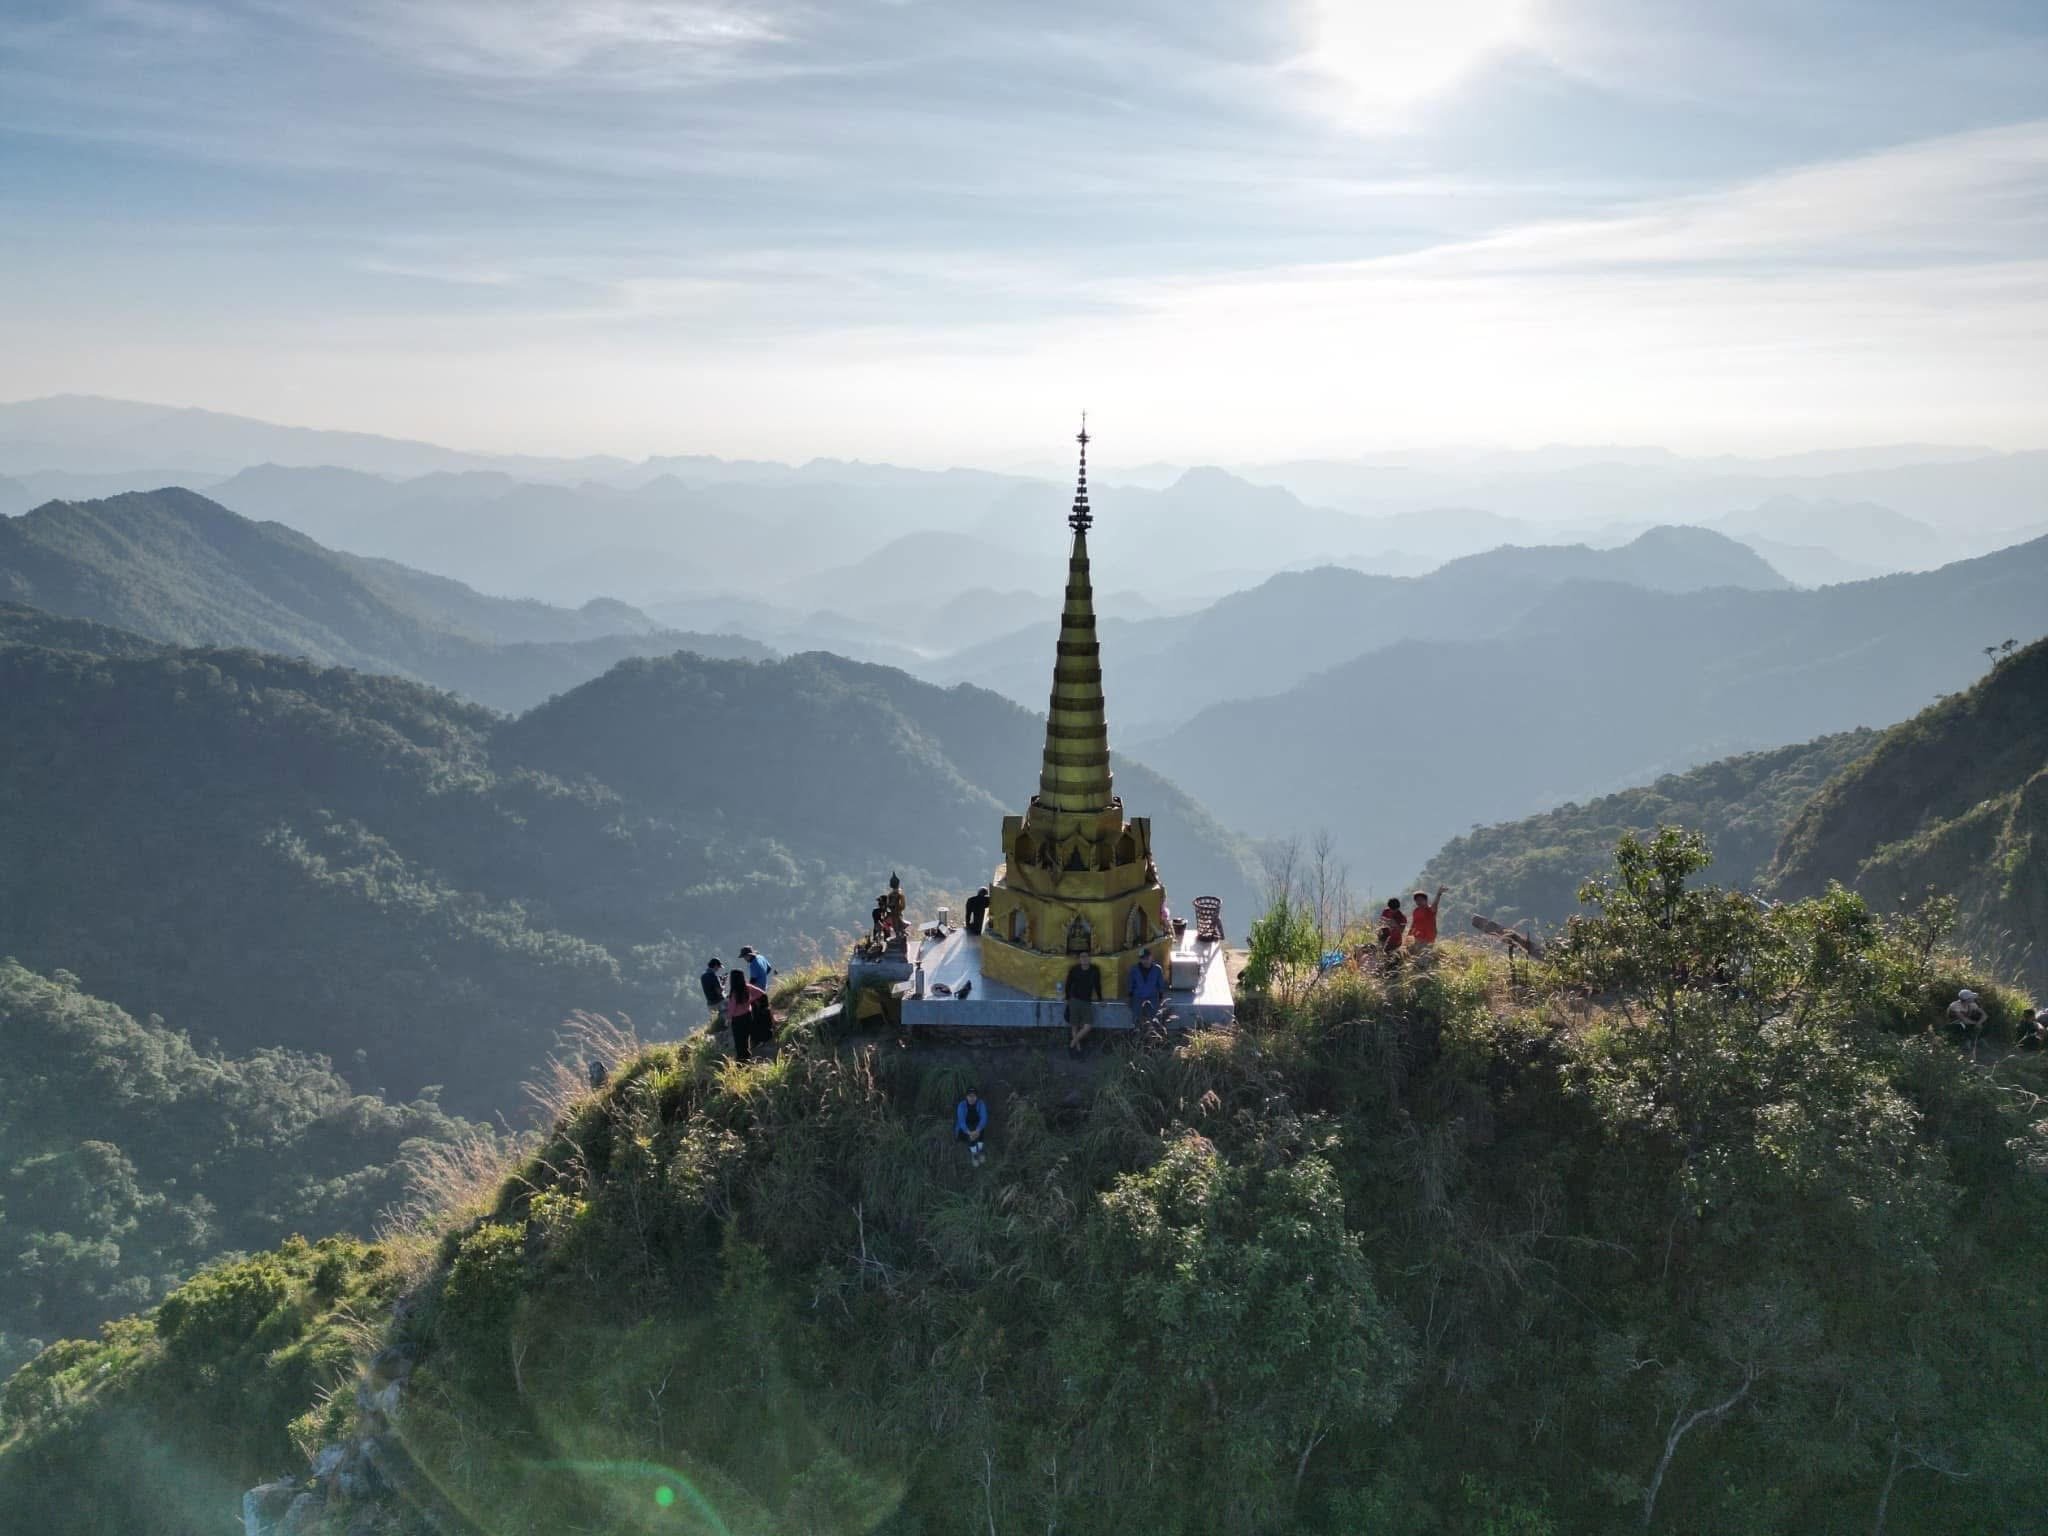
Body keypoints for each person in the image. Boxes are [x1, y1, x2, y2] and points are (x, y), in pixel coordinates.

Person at [1065, 946, 1104, 1056]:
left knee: (1087, 1026)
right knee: (1075, 1025)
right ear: (1079, 959)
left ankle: (1072, 1044)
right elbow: (1068, 984)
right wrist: (1067, 998)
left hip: (1086, 1001)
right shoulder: (1074, 970)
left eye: (1086, 956)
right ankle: (1078, 1050)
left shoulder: (1094, 970)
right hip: (1074, 1000)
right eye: (1082, 957)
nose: (1084, 959)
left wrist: (1100, 999)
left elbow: (1097, 985)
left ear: (1090, 958)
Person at [726, 967, 767, 1063]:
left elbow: (732, 1009)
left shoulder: (734, 993)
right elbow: (761, 993)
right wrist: (750, 1000)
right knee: (747, 1037)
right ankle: (748, 1056)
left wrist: (728, 1019)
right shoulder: (747, 987)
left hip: (737, 1020)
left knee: (740, 1042)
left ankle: (742, 1061)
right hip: (748, 1015)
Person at [1127, 947, 1167, 1023]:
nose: (1145, 960)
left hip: (1153, 998)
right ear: (1140, 959)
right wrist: (1130, 997)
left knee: (1154, 1020)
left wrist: (1161, 997)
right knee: (1137, 1020)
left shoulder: (1157, 969)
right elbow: (1130, 984)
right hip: (1138, 998)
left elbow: (1161, 984)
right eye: (1143, 958)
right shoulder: (1134, 969)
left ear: (1151, 957)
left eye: (1147, 958)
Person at [955, 1088, 989, 1166]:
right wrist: (969, 1132)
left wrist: (978, 1130)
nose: (972, 1098)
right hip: (964, 1130)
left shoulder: (981, 1104)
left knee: (981, 1129)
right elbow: (961, 1122)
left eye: (974, 1096)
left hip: (976, 1127)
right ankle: (974, 1154)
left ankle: (980, 1150)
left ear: (977, 1097)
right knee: (971, 1136)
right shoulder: (961, 1105)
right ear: (966, 1097)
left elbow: (984, 1118)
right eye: (969, 1096)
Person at [699, 958, 726, 1023]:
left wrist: (719, 981)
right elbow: (719, 991)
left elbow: (710, 987)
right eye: (718, 967)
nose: (718, 969)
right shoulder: (713, 976)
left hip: (710, 1004)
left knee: (716, 1020)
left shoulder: (703, 976)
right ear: (715, 965)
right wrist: (723, 983)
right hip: (719, 1002)